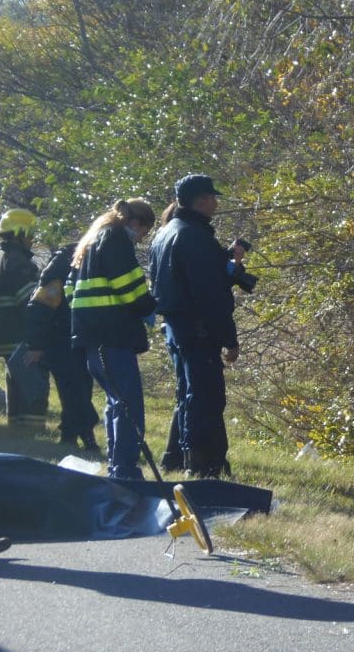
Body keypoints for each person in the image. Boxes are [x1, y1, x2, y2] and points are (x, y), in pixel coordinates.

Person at [150, 175, 240, 478]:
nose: (216, 203)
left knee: (187, 392)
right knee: (206, 396)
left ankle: (174, 458)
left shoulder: (165, 234)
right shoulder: (195, 236)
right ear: (200, 200)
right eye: (212, 197)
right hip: (198, 328)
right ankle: (201, 466)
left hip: (175, 327)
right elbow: (209, 294)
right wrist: (229, 339)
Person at [70, 199, 156, 480]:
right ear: (135, 223)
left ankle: (118, 467)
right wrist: (149, 306)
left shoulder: (93, 238)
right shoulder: (116, 238)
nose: (142, 239)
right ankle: (125, 470)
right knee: (129, 405)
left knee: (116, 403)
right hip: (111, 335)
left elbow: (72, 288)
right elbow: (129, 286)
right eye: (144, 232)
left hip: (94, 336)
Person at [24, 243, 100, 450]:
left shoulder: (78, 264)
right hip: (60, 341)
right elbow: (38, 309)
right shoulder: (61, 270)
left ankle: (74, 435)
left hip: (76, 339)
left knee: (79, 390)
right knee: (74, 391)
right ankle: (77, 435)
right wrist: (36, 345)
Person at [0, 209, 42, 427]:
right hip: (22, 333)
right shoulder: (20, 263)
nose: (32, 239)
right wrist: (39, 332)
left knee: (14, 379)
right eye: (30, 234)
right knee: (32, 382)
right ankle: (32, 428)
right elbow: (30, 304)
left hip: (2, 333)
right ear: (19, 232)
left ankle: (16, 425)